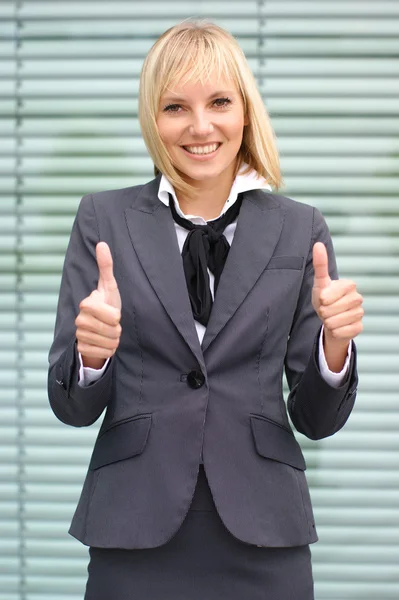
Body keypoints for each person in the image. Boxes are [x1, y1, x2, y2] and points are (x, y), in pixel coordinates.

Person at [48, 20, 364, 600]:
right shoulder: (102, 221)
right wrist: (92, 357)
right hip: (133, 526)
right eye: (175, 107)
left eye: (219, 101)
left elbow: (317, 420)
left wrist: (334, 349)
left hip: (265, 529)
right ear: (153, 117)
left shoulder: (300, 229)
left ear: (244, 110)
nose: (200, 126)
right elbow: (72, 407)